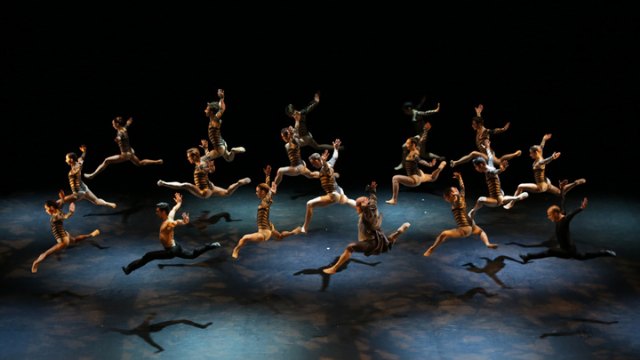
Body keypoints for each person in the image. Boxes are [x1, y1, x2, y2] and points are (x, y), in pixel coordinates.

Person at [323, 181, 410, 274]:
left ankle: (334, 269)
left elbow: (368, 217)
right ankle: (399, 232)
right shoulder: (373, 207)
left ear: (361, 207)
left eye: (357, 206)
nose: (356, 208)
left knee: (350, 247)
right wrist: (372, 191)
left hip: (370, 242)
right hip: (378, 237)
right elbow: (373, 200)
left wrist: (364, 208)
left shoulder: (366, 215)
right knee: (387, 242)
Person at [122, 192, 221, 274]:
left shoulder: (169, 222)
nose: (156, 213)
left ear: (163, 212)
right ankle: (210, 246)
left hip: (171, 251)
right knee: (191, 255)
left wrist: (184, 222)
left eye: (158, 211)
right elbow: (174, 209)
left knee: (148, 256)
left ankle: (128, 269)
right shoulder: (169, 217)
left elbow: (176, 222)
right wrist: (179, 203)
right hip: (175, 247)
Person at [231, 166, 302, 259]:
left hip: (264, 232)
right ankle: (293, 232)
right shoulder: (265, 197)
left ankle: (236, 250)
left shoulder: (266, 201)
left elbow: (269, 193)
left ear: (263, 192)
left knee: (245, 238)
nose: (256, 193)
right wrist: (267, 175)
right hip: (269, 225)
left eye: (257, 191)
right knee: (279, 236)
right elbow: (268, 189)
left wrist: (272, 192)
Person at [503, 133, 586, 209]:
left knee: (520, 186)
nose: (530, 155)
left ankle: (512, 203)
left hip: (540, 187)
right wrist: (544, 139)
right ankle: (575, 183)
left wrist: (551, 158)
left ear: (535, 152)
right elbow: (541, 147)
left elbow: (544, 161)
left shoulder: (539, 162)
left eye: (531, 153)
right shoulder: (540, 154)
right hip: (546, 183)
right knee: (560, 193)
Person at [520, 197, 616, 262]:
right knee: (582, 256)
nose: (549, 217)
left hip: (569, 251)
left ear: (556, 213)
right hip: (564, 248)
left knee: (550, 251)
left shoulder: (564, 220)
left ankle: (604, 252)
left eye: (550, 215)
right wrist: (562, 189)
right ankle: (527, 257)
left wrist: (581, 208)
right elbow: (563, 203)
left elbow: (571, 215)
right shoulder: (560, 215)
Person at [424, 172, 497, 256]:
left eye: (446, 197)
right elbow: (462, 188)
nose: (446, 199)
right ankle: (487, 243)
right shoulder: (461, 197)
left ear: (450, 196)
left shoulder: (456, 201)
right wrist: (460, 178)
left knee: (444, 234)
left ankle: (431, 249)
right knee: (481, 232)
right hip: (470, 223)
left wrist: (457, 196)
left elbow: (457, 202)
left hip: (464, 229)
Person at [157, 141, 251, 199]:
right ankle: (239, 183)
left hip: (204, 192)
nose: (187, 159)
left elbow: (208, 169)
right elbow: (208, 159)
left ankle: (163, 183)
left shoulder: (201, 165)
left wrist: (210, 169)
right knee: (227, 192)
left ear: (193, 156)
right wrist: (206, 149)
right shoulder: (202, 159)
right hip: (211, 187)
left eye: (188, 157)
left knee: (185, 185)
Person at [32, 197, 101, 273]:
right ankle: (91, 235)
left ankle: (35, 263)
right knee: (75, 240)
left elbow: (65, 216)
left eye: (46, 208)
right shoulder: (58, 210)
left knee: (46, 253)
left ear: (51, 207)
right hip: (65, 234)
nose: (46, 211)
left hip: (63, 241)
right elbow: (61, 204)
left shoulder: (56, 216)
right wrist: (62, 198)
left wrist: (71, 212)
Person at [301, 139, 356, 233]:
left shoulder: (325, 167)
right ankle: (365, 210)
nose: (313, 165)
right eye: (311, 164)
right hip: (339, 191)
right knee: (347, 201)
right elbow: (335, 157)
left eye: (314, 163)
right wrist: (336, 149)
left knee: (309, 204)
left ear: (319, 160)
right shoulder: (327, 165)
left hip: (333, 195)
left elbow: (325, 168)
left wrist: (324, 162)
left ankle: (304, 228)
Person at [84, 116, 163, 179]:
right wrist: (129, 122)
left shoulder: (120, 132)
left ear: (117, 124)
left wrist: (117, 139)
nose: (113, 125)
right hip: (131, 152)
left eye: (113, 124)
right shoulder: (124, 128)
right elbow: (127, 125)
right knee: (140, 163)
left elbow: (119, 137)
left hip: (125, 155)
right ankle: (157, 161)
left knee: (106, 160)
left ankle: (92, 175)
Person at [449, 104, 521, 168]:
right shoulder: (478, 128)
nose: (472, 125)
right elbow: (479, 120)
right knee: (474, 154)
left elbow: (494, 131)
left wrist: (503, 129)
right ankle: (455, 163)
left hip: (489, 154)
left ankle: (516, 153)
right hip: (484, 153)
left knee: (498, 161)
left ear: (479, 124)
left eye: (474, 124)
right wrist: (478, 113)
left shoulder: (485, 131)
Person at [385, 135, 447, 205]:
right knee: (431, 177)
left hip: (414, 179)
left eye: (408, 143)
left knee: (395, 178)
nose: (406, 145)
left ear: (413, 144)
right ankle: (440, 168)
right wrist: (425, 131)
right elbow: (420, 143)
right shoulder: (416, 149)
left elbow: (419, 160)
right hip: (419, 176)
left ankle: (394, 200)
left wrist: (429, 165)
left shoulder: (414, 154)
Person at [467, 155, 528, 221]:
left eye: (476, 167)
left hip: (496, 200)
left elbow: (495, 172)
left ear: (481, 165)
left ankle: (473, 211)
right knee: (499, 197)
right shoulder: (490, 166)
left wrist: (501, 170)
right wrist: (487, 148)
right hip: (500, 193)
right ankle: (516, 198)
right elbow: (490, 158)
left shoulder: (489, 172)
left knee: (480, 200)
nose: (475, 168)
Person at [394, 100, 444, 170]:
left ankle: (403, 164)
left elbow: (425, 113)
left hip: (421, 135)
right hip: (420, 134)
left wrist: (436, 110)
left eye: (405, 111)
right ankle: (439, 157)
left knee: (404, 146)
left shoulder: (417, 113)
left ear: (409, 109)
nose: (405, 113)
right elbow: (419, 105)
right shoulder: (414, 111)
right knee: (423, 154)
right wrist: (423, 100)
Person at [271, 125, 318, 192]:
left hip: (298, 167)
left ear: (287, 135)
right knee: (311, 175)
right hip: (297, 166)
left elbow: (295, 134)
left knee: (280, 170)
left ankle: (273, 188)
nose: (282, 138)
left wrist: (293, 130)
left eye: (283, 136)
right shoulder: (287, 145)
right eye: (282, 136)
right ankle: (326, 174)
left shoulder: (294, 140)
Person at [204, 89, 246, 161]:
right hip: (222, 144)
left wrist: (222, 98)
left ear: (211, 112)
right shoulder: (213, 120)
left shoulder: (215, 119)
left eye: (206, 109)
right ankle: (233, 151)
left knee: (202, 160)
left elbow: (222, 109)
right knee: (229, 158)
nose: (205, 110)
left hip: (219, 148)